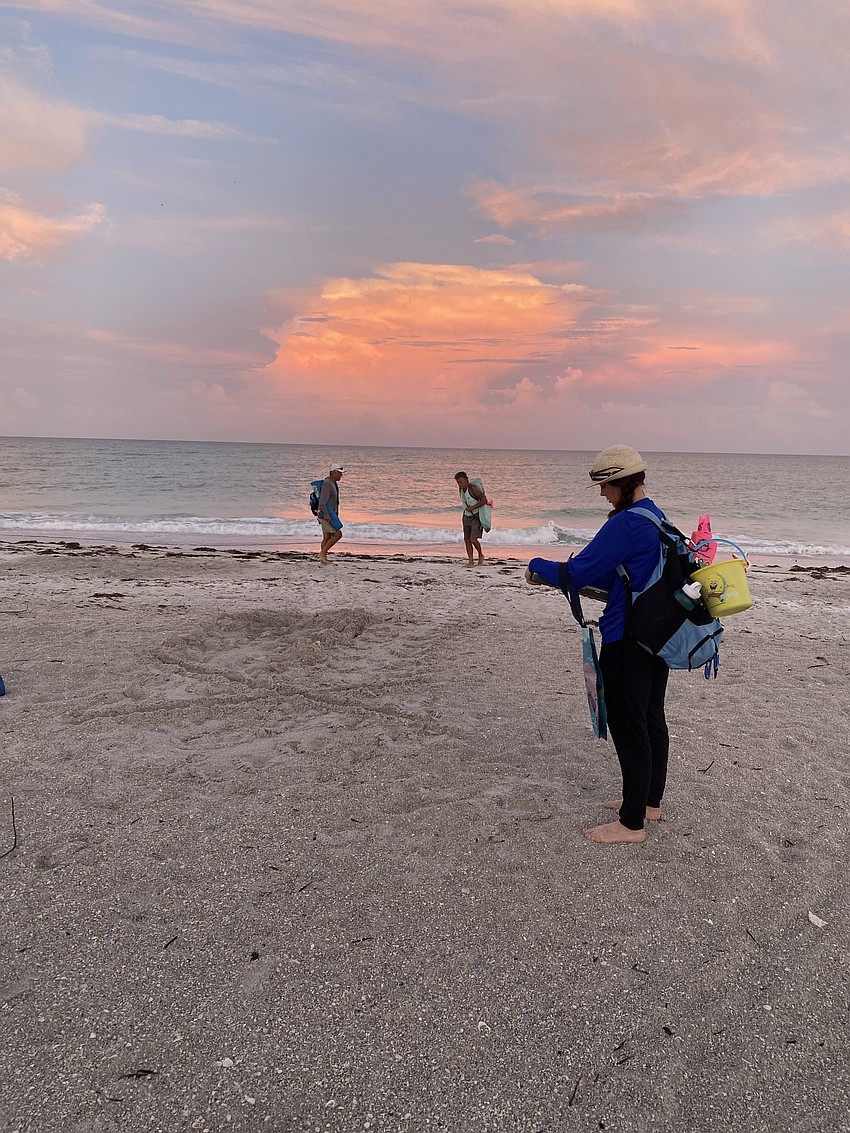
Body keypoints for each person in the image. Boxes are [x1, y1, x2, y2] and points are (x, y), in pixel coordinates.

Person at [525, 445, 670, 845]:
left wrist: (537, 566)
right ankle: (648, 803)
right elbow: (623, 577)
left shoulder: (625, 524)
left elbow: (578, 571)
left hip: (628, 638)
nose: (602, 494)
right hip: (657, 635)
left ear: (623, 484)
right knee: (652, 718)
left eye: (606, 485)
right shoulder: (656, 517)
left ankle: (631, 824)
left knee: (628, 723)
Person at [454, 471, 487, 568]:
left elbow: (484, 500)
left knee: (473, 539)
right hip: (466, 516)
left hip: (475, 517)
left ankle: (480, 555)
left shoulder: (473, 489)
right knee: (467, 539)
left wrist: (473, 508)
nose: (459, 484)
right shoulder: (460, 490)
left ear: (467, 480)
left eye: (461, 482)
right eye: (458, 483)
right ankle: (471, 561)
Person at [317, 464, 345, 564]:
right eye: (340, 473)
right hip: (326, 515)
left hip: (330, 514)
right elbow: (322, 501)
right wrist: (327, 515)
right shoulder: (327, 483)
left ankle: (323, 558)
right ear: (333, 473)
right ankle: (322, 553)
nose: (341, 475)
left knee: (327, 536)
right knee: (338, 534)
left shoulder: (333, 483)